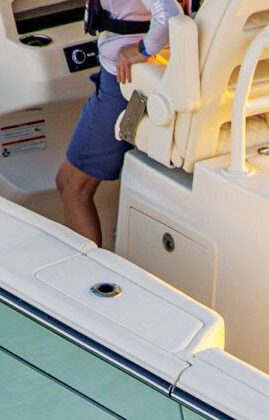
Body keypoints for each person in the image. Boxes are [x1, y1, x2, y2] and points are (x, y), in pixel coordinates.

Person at [56, 0, 183, 246]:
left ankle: (89, 278)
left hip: (128, 85)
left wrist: (142, 49)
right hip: (149, 77)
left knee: (72, 185)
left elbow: (168, 14)